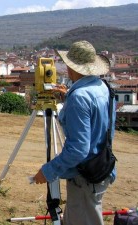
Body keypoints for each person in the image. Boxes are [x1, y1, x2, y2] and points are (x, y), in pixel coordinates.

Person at [33, 40, 116, 225]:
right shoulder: (103, 88)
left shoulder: (79, 97)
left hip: (85, 178)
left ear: (72, 67)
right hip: (101, 167)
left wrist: (48, 171)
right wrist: (67, 96)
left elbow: (78, 149)